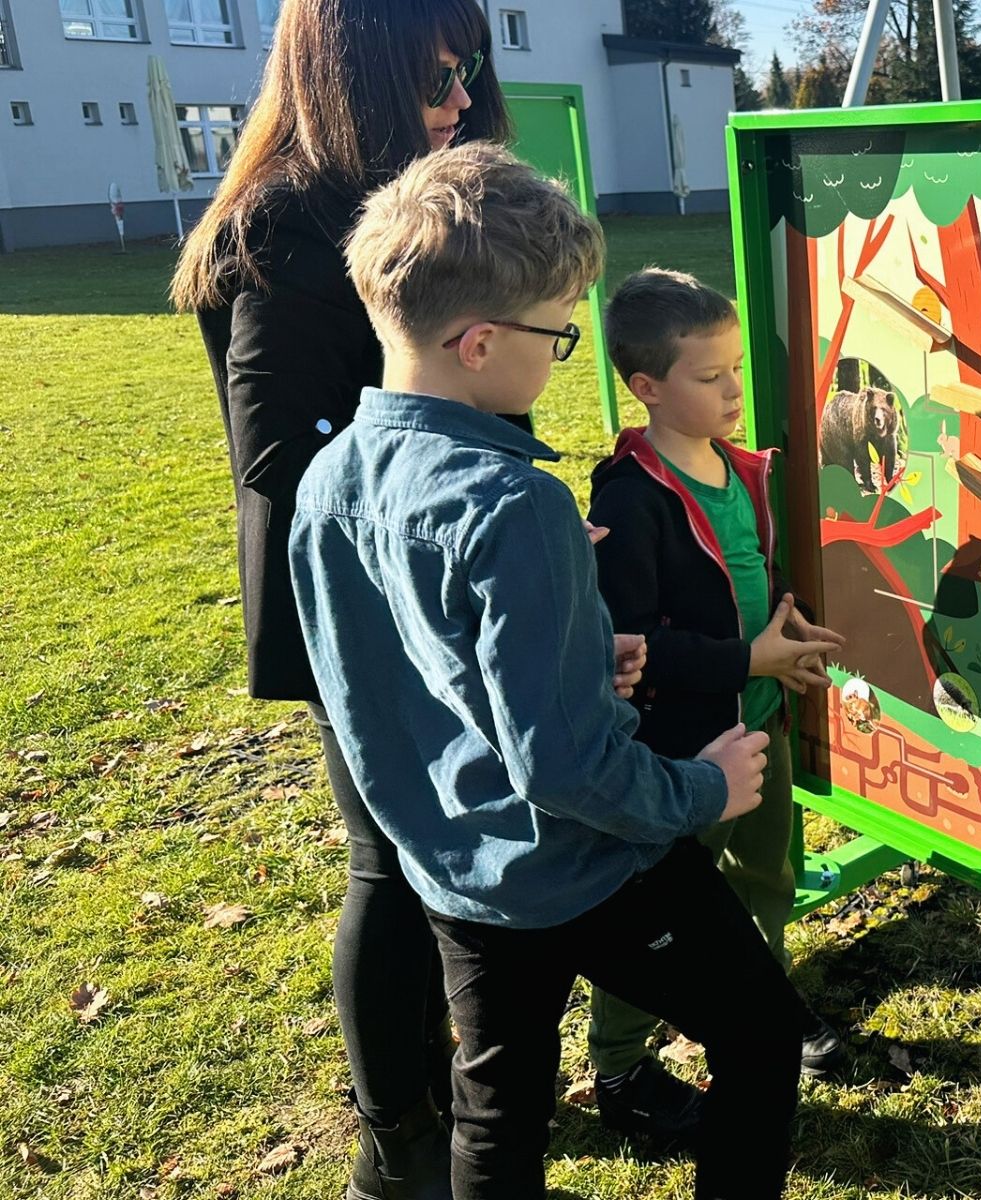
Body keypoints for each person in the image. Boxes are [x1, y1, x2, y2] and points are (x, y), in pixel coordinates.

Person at [169, 3, 643, 1195]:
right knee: (391, 861)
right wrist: (464, 528)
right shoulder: (287, 220)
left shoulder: (407, 195)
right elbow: (279, 455)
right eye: (438, 75)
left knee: (463, 836)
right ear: (351, 72)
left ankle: (477, 1083)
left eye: (471, 67)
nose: (463, 97)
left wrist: (505, 525)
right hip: (361, 602)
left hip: (441, 579)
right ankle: (399, 1142)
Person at [290, 142, 809, 1200]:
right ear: (481, 342)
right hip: (587, 862)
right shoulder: (514, 502)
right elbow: (566, 769)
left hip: (453, 869)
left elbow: (388, 679)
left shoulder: (329, 475)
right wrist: (704, 788)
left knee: (499, 1105)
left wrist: (570, 651)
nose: (563, 351)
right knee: (761, 1032)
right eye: (559, 332)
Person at [582, 270, 848, 1144]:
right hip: (679, 758)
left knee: (766, 880)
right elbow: (629, 644)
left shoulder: (742, 469)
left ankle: (762, 1007)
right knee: (658, 920)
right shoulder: (630, 497)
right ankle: (621, 1066)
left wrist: (783, 636)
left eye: (736, 368)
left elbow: (750, 579)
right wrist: (745, 658)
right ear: (647, 387)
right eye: (710, 376)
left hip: (759, 727)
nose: (735, 390)